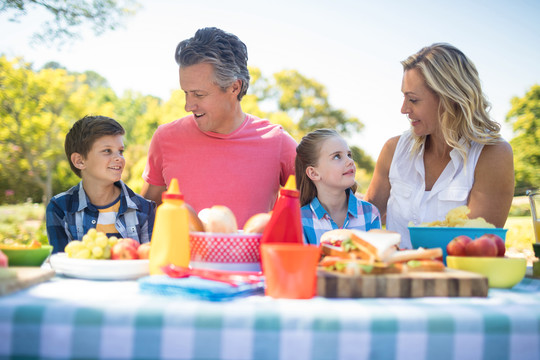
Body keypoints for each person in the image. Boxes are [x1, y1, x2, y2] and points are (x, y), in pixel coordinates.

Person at [141, 27, 297, 227]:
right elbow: (145, 214)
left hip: (251, 259)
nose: (188, 106)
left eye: (199, 94)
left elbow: (317, 205)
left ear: (234, 87)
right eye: (185, 93)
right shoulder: (165, 138)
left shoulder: (277, 142)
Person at [364, 43, 514, 249]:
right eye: (404, 97)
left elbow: (477, 247)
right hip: (392, 277)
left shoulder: (492, 155)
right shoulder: (393, 150)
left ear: (449, 98)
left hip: (456, 279)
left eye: (413, 99)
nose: (404, 109)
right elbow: (362, 221)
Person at [46, 115, 156, 253]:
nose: (119, 158)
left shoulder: (145, 209)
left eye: (120, 151)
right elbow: (61, 264)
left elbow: (148, 263)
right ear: (79, 161)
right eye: (107, 151)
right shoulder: (60, 208)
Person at [296, 129, 381, 245]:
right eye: (337, 156)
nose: (350, 161)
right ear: (313, 173)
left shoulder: (370, 213)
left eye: (349, 155)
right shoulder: (299, 220)